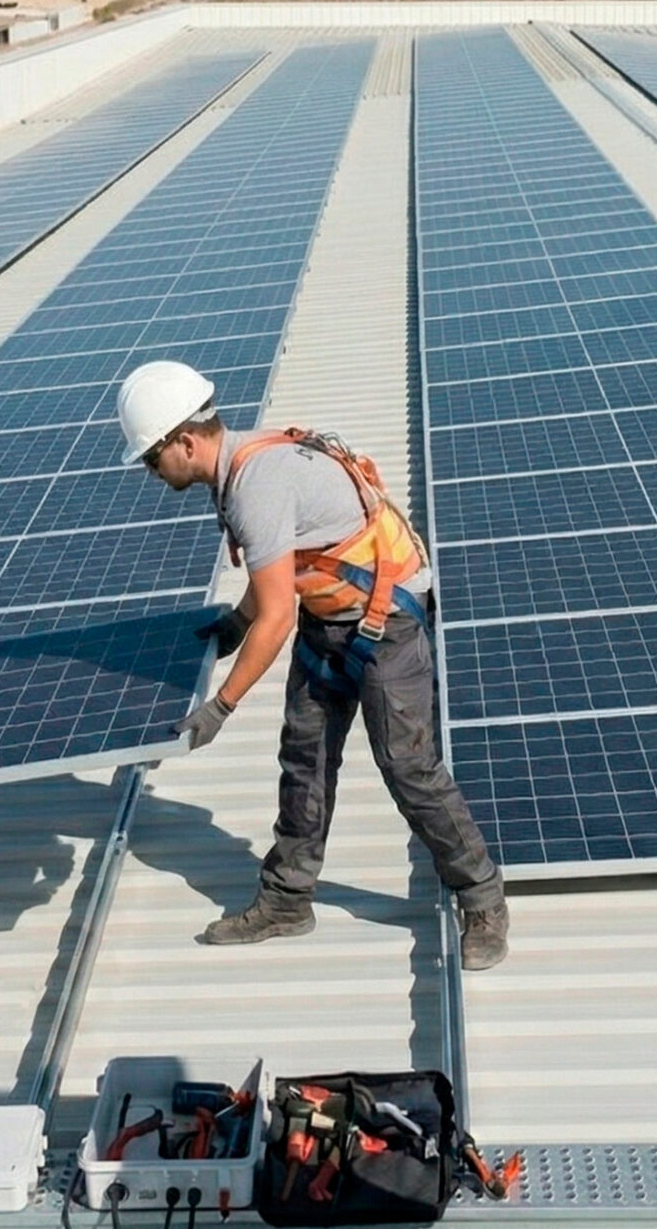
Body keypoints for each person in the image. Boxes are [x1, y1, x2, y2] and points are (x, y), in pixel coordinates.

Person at [118, 360, 510, 971]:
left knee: (408, 767)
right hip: (330, 620)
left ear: (185, 442)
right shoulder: (238, 469)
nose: (150, 471)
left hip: (387, 624)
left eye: (151, 458)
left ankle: (483, 899)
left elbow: (277, 616)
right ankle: (286, 900)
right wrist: (236, 622)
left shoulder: (256, 485)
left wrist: (221, 706)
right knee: (305, 759)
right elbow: (280, 572)